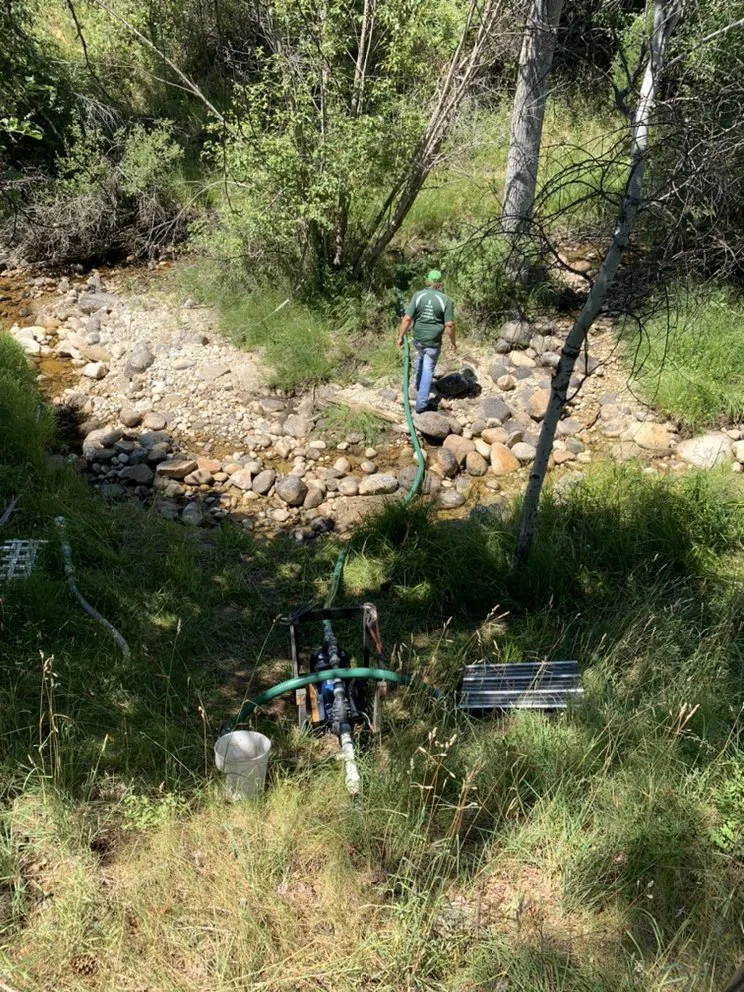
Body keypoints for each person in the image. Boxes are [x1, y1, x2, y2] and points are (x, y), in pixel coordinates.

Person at [397, 270, 457, 415]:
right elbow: (449, 325)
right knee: (428, 369)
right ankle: (421, 404)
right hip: (433, 342)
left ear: (426, 281)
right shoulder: (445, 300)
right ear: (440, 283)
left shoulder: (418, 296)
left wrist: (400, 336)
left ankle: (418, 386)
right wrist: (453, 342)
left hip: (418, 339)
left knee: (420, 356)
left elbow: (406, 319)